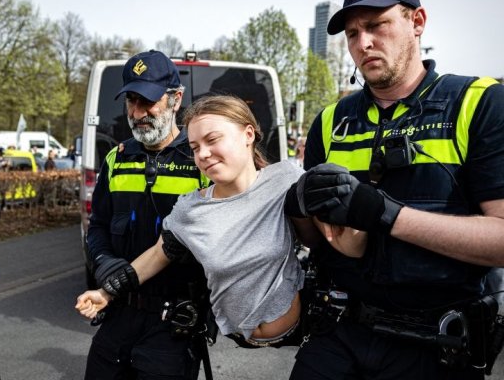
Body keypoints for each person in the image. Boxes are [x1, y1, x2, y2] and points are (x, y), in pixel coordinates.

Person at [290, 0, 504, 379]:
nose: (363, 42)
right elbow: (316, 240)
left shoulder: (479, 102)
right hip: (339, 331)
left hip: (435, 343)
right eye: (352, 33)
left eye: (376, 25)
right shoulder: (329, 121)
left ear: (417, 21)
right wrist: (299, 210)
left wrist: (388, 215)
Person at [76, 95, 364, 349]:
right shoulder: (190, 209)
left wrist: (359, 207)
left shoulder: (287, 181)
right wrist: (105, 292)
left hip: (294, 335)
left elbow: (339, 244)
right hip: (234, 336)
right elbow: (155, 255)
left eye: (212, 140)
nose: (202, 154)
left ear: (248, 134)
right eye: (194, 146)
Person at [80, 50, 211, 380]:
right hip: (118, 315)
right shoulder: (116, 158)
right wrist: (102, 262)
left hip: (173, 327)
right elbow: (97, 227)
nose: (137, 113)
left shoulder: (201, 162)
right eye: (131, 101)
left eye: (147, 102)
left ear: (175, 99)